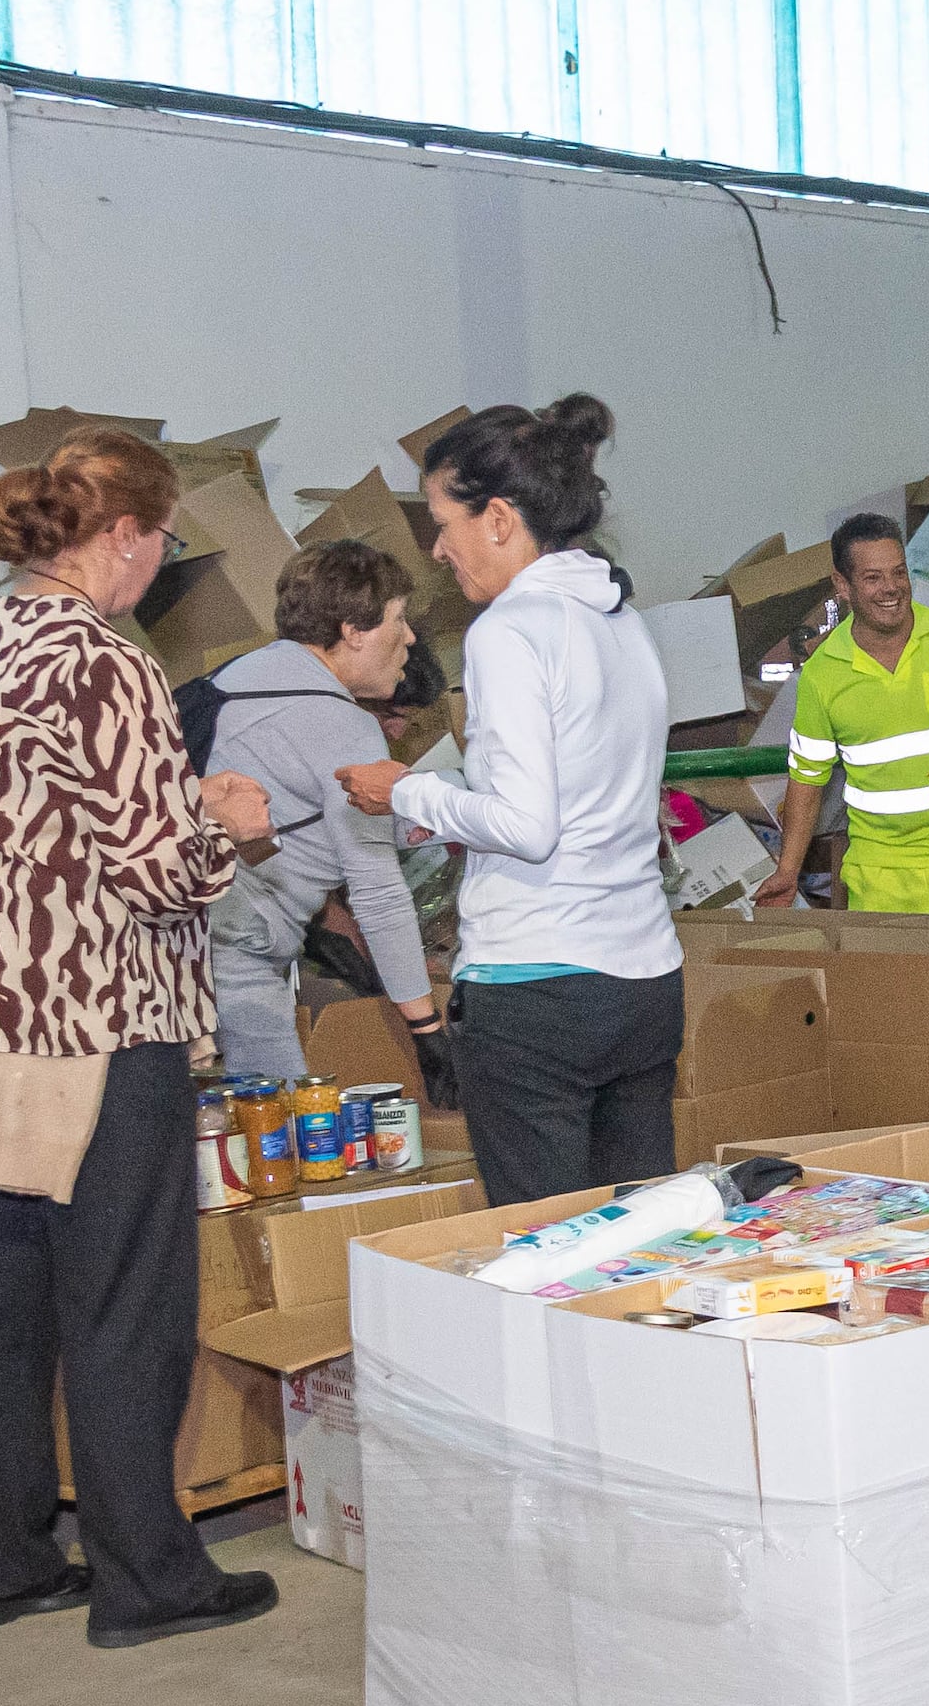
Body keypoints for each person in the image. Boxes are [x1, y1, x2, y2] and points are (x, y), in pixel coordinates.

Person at [0, 428, 283, 1651]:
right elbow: (157, 868)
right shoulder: (102, 658)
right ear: (120, 535)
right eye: (159, 544)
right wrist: (231, 825)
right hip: (88, 1020)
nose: (159, 569)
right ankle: (147, 1577)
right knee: (121, 1306)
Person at [370, 396, 680, 1204]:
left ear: (500, 517)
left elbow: (524, 827)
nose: (438, 551)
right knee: (640, 1242)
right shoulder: (622, 622)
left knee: (543, 1254)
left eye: (444, 523)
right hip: (644, 980)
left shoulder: (510, 630)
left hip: (539, 990)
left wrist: (410, 789)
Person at [197, 539, 440, 1086]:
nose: (410, 638)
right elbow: (376, 890)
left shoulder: (241, 678)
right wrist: (425, 1027)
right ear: (353, 631)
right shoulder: (340, 722)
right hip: (241, 941)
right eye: (399, 619)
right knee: (278, 1124)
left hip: (186, 936)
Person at [759, 515, 929, 914]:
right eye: (873, 577)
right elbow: (807, 780)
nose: (891, 588)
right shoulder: (823, 674)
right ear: (842, 585)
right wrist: (788, 871)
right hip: (879, 879)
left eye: (899, 573)